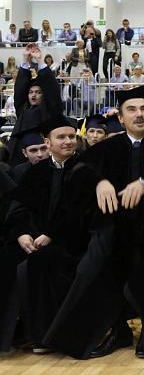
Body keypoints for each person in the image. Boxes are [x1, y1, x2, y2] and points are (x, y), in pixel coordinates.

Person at [44, 86, 144, 359]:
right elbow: (80, 170)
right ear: (121, 118)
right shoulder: (107, 147)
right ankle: (116, 330)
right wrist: (99, 182)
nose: (139, 114)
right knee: (92, 266)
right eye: (132, 110)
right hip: (115, 230)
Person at [0, 116, 88, 354]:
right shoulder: (36, 173)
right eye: (61, 137)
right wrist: (22, 234)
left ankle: (46, 335)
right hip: (34, 240)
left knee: (42, 262)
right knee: (6, 259)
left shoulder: (87, 170)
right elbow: (19, 209)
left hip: (74, 243)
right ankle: (13, 333)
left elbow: (84, 212)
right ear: (48, 143)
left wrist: (51, 234)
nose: (68, 141)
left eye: (71, 136)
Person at [7, 45, 62, 166]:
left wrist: (40, 61)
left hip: (45, 159)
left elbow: (52, 90)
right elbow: (20, 90)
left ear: (44, 95)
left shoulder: (49, 109)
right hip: (20, 158)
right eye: (31, 92)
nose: (33, 95)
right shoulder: (23, 109)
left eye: (38, 92)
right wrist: (25, 60)